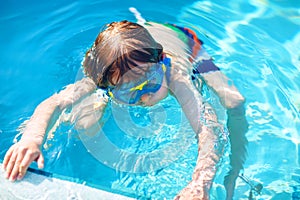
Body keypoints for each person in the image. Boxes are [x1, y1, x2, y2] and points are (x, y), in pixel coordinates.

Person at [3, 14, 248, 200]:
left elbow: (208, 129)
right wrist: (32, 139)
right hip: (118, 58)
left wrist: (200, 182)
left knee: (234, 101)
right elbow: (54, 103)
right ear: (107, 84)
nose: (143, 96)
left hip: (183, 40)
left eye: (149, 81)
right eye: (127, 91)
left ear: (160, 62)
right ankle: (105, 97)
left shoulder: (175, 76)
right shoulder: (101, 76)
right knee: (85, 123)